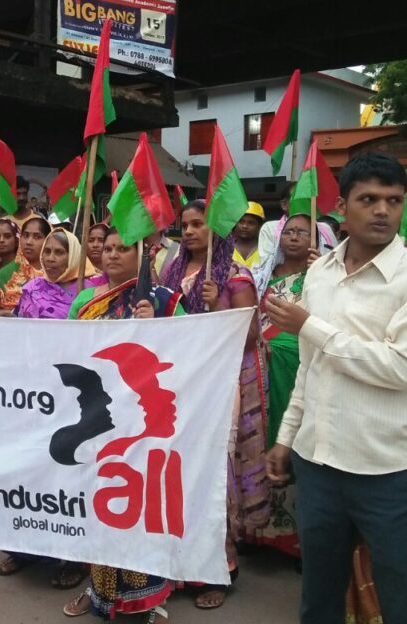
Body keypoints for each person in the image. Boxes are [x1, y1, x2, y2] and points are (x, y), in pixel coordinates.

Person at [265, 152, 407, 624]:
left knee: (403, 601)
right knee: (320, 597)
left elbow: (400, 369)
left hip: (389, 471)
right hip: (318, 464)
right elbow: (311, 369)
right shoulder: (320, 273)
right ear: (343, 206)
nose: (382, 211)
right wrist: (287, 438)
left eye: (393, 200)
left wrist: (310, 326)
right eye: (368, 199)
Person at [63, 226, 184, 621]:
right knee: (102, 506)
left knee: (139, 507)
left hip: (145, 422)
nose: (112, 255)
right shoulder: (85, 300)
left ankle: (145, 599)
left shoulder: (163, 299)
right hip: (99, 419)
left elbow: (189, 347)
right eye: (108, 248)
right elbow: (65, 350)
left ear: (142, 255)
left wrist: (158, 325)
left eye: (123, 248)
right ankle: (100, 592)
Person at [161, 200, 263, 610]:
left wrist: (219, 302)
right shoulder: (170, 272)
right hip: (180, 385)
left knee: (213, 474)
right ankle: (180, 561)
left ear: (215, 229)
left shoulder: (236, 276)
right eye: (184, 225)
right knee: (177, 473)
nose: (188, 231)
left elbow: (251, 334)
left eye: (198, 224)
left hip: (220, 386)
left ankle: (220, 566)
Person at [0, 228, 88, 589]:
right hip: (34, 392)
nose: (50, 258)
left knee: (69, 472)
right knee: (29, 469)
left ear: (74, 257)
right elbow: (19, 335)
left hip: (73, 396)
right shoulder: (31, 289)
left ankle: (73, 557)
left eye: (59, 253)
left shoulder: (88, 292)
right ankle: (24, 549)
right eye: (46, 251)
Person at [249, 213, 318, 561]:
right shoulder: (264, 276)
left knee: (292, 440)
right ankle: (260, 531)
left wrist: (321, 273)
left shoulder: (320, 275)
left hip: (294, 365)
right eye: (288, 231)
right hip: (260, 363)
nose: (293, 237)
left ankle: (295, 536)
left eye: (301, 232)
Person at [0, 217, 44, 316]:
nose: (29, 242)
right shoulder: (4, 273)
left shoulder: (55, 275)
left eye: (37, 237)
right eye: (25, 236)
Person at [232, 202, 265, 268]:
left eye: (251, 223)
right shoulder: (224, 249)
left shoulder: (266, 249)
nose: (245, 226)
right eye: (241, 221)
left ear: (259, 226)